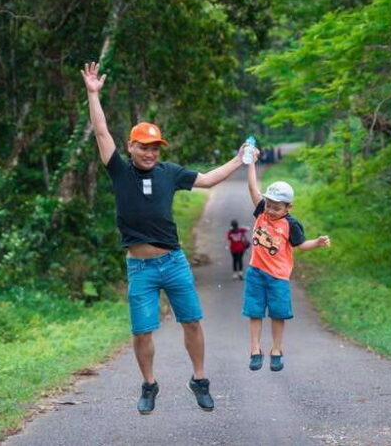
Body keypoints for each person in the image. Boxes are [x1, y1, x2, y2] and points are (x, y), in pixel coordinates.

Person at [81, 61, 247, 415]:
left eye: (155, 147)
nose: (151, 152)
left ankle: (199, 380)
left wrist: (237, 161)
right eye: (144, 146)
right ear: (131, 146)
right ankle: (149, 384)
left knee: (192, 321)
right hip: (140, 267)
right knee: (142, 331)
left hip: (173, 261)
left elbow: (207, 179)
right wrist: (93, 94)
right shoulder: (119, 171)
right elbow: (100, 133)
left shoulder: (170, 173)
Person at [243, 147, 331, 372]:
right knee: (254, 311)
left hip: (278, 277)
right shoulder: (262, 210)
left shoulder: (291, 224)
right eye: (269, 204)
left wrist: (317, 242)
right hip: (255, 272)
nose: (270, 210)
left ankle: (276, 349)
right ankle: (255, 348)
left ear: (288, 207)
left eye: (276, 207)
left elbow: (301, 245)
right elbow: (253, 188)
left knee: (278, 313)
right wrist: (251, 162)